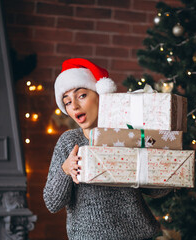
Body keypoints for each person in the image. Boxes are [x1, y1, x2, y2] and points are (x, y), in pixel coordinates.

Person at [43, 58, 171, 240]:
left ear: (99, 95)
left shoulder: (127, 133)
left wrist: (158, 161)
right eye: (68, 102)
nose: (75, 106)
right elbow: (52, 202)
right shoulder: (69, 142)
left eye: (81, 95)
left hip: (138, 235)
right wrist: (66, 170)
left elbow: (158, 191)